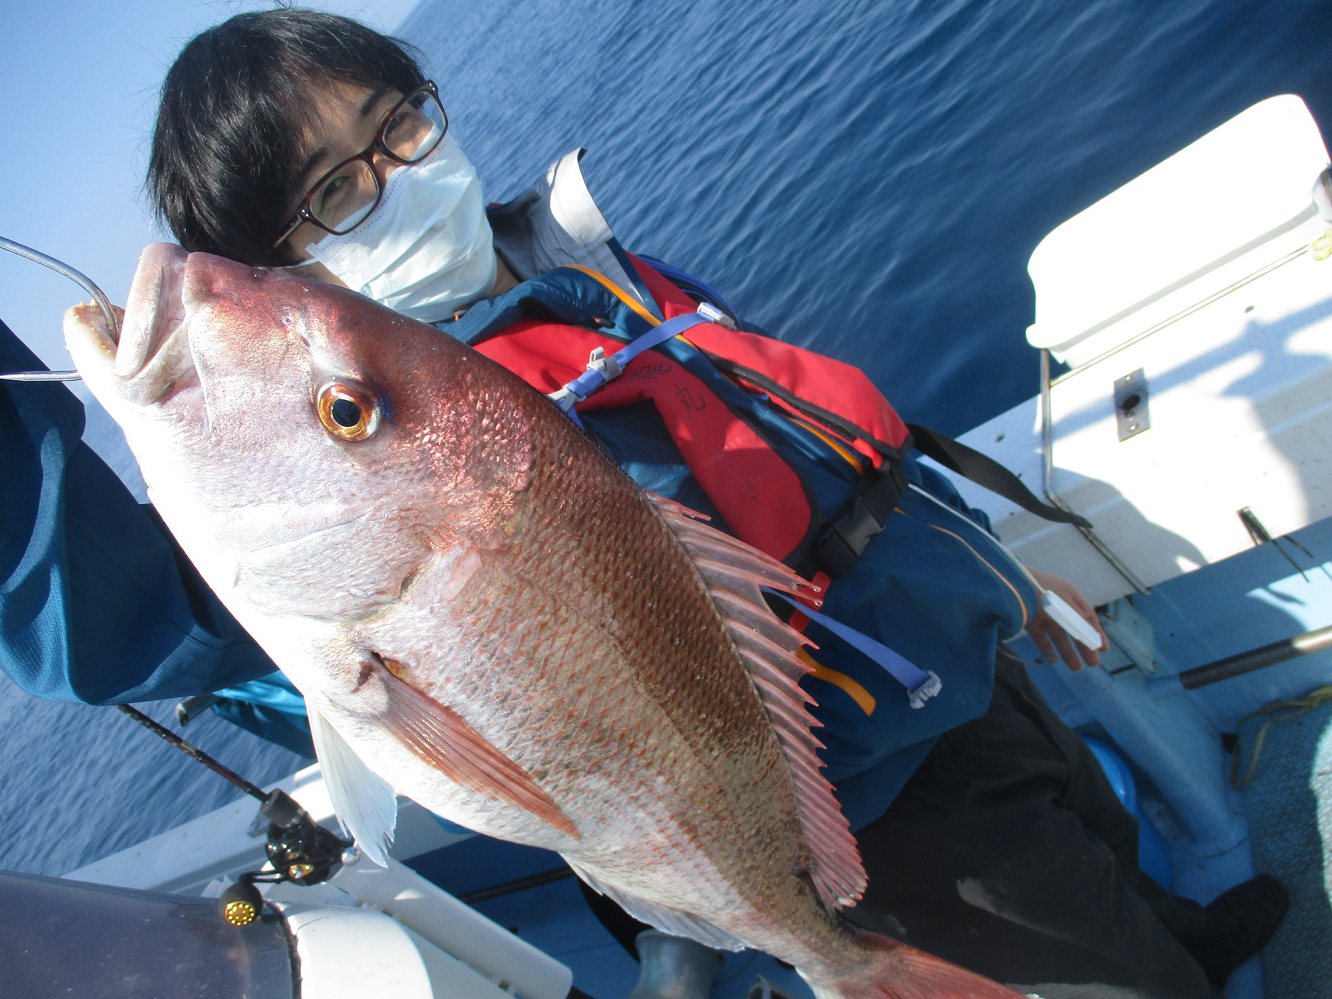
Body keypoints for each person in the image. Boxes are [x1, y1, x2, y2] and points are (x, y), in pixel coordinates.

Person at [142, 10, 1287, 998]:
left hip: (952, 632)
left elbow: (796, 432)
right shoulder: (424, 431)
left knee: (1096, 829)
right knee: (1086, 953)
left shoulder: (568, 266)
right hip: (871, 782)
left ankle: (1189, 932)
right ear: (281, 275)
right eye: (336, 191)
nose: (396, 179)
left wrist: (1001, 572)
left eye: (395, 124)